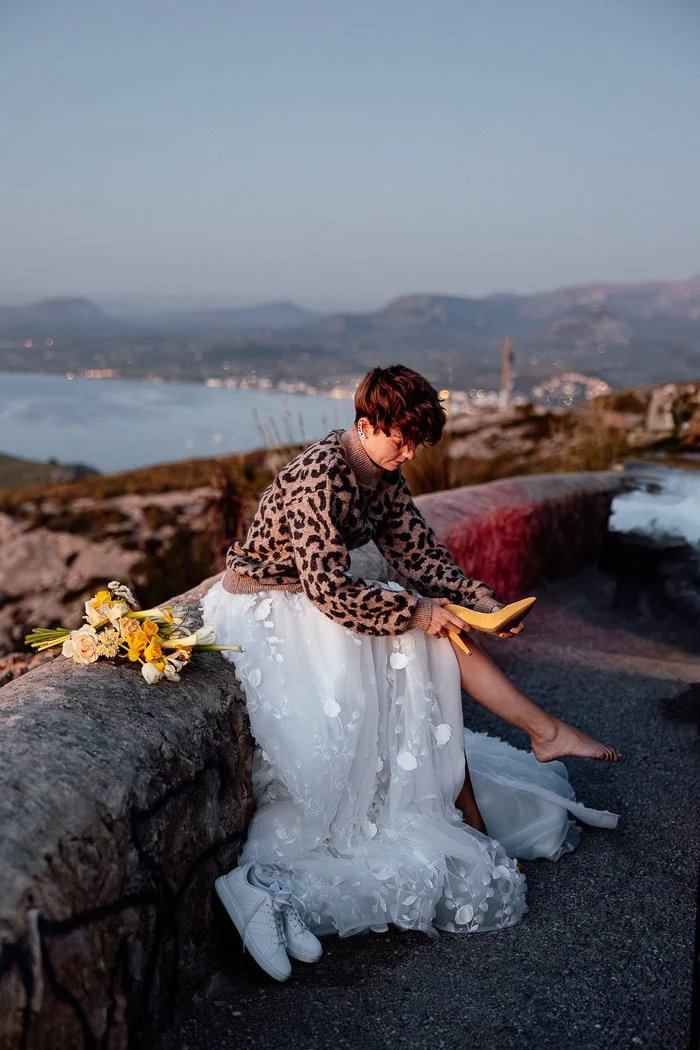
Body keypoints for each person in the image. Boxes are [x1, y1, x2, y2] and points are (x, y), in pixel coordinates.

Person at [201, 364, 620, 982]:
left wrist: (477, 601)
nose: (409, 451)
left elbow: (418, 551)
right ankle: (533, 742)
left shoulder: (383, 474)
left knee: (436, 635)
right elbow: (329, 591)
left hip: (317, 599)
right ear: (364, 424)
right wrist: (418, 612)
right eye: (399, 438)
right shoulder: (322, 474)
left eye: (418, 441)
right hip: (271, 609)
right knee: (422, 641)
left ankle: (528, 748)